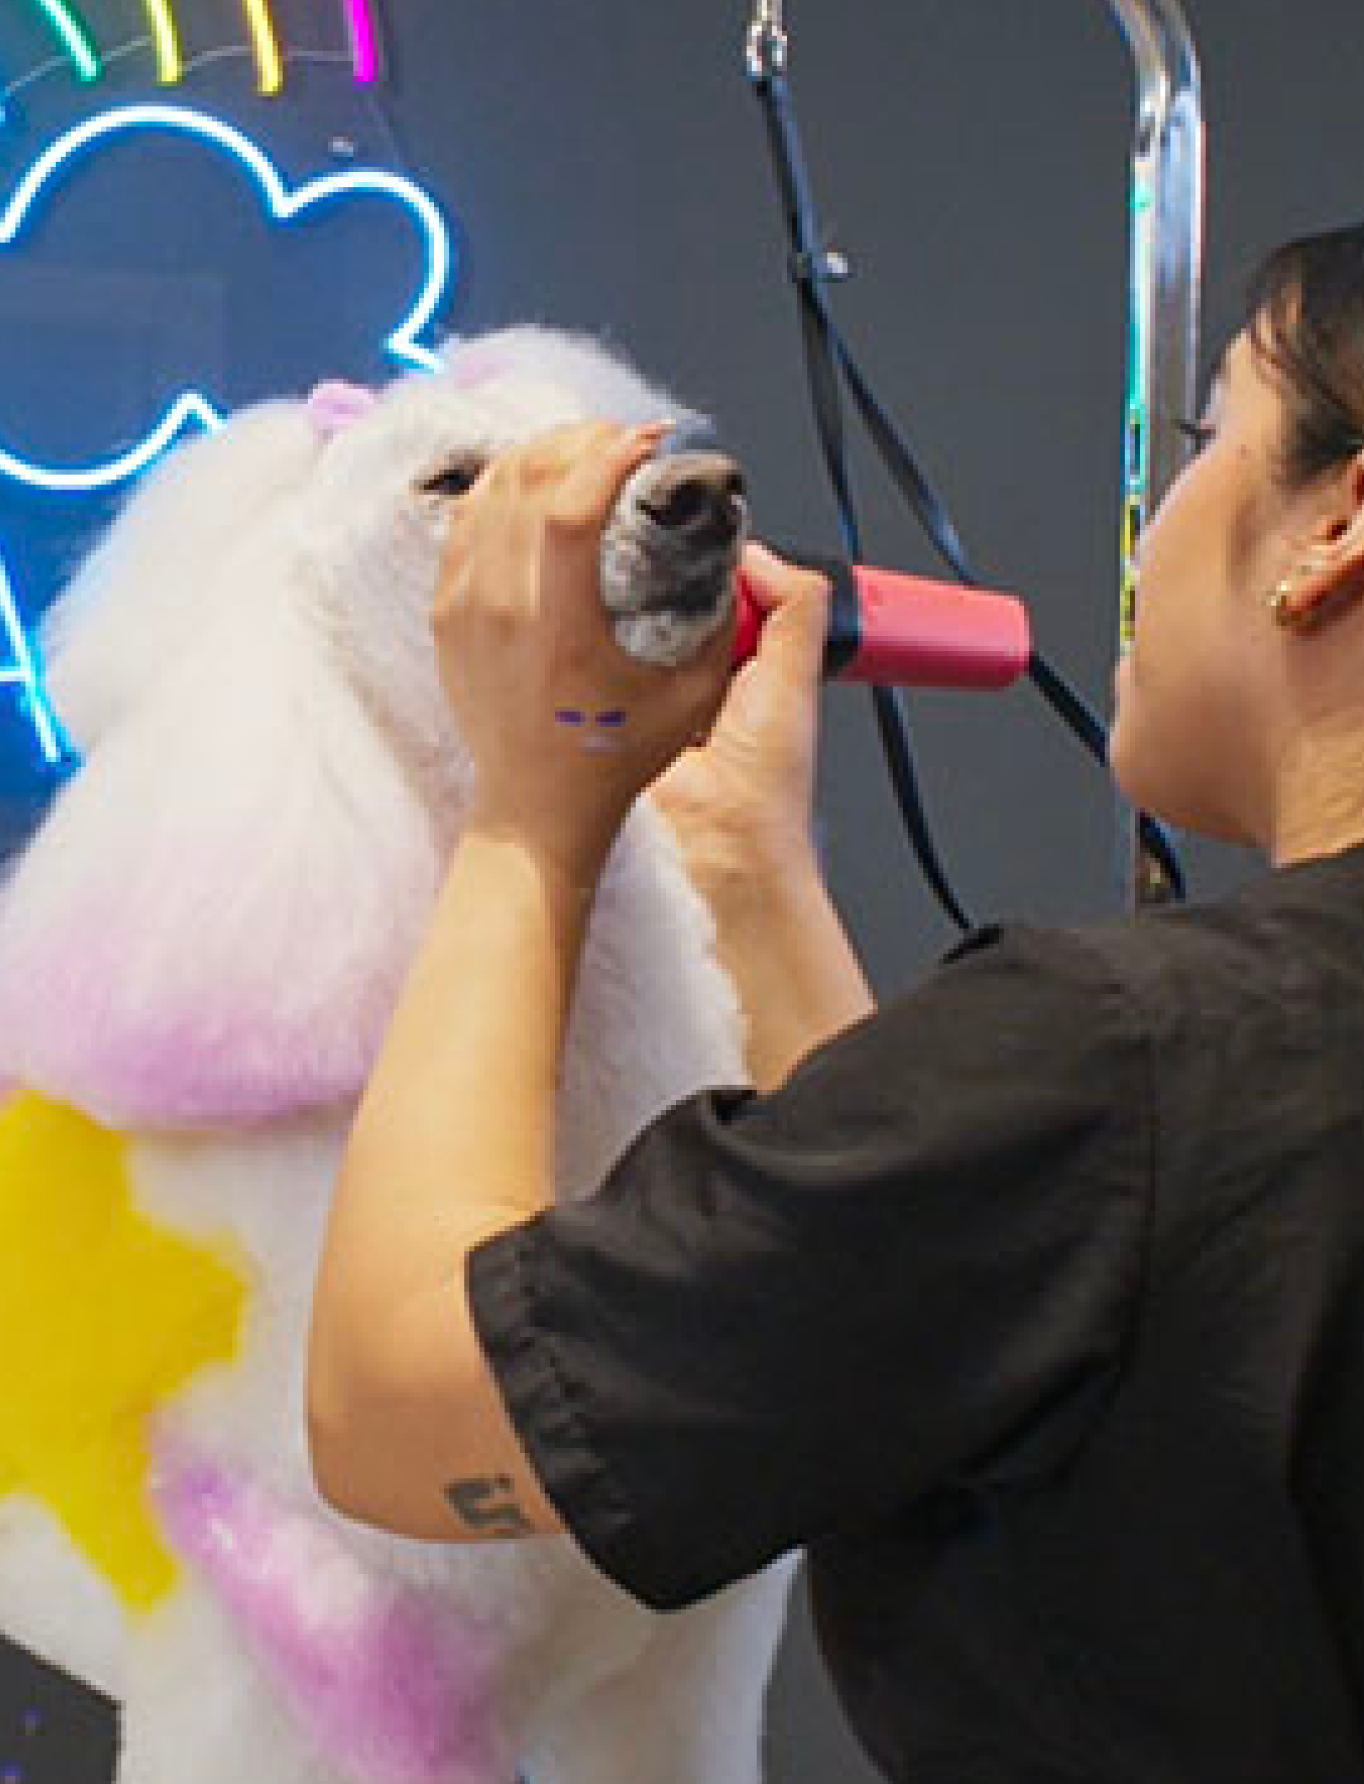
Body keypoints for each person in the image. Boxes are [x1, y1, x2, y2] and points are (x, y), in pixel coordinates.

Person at [307, 224, 1364, 1782]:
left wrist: (533, 820)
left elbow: (403, 1407)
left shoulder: (1111, 1068)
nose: (1151, 518)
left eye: (1203, 440)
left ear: (1334, 529)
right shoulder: (1155, 1092)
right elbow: (970, 1281)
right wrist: (741, 863)